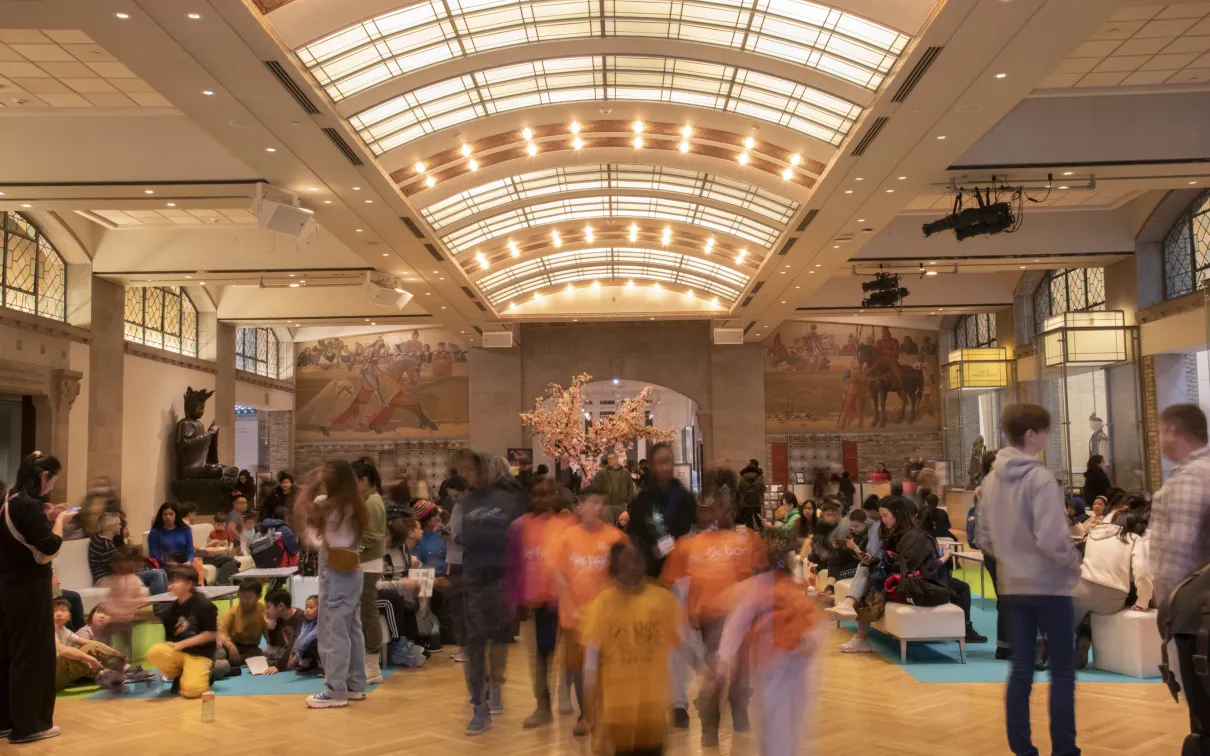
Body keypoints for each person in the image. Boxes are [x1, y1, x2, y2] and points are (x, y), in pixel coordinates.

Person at [976, 404, 1081, 756]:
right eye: (1047, 432)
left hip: (1013, 587)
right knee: (1062, 672)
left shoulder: (989, 482)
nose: (1048, 439)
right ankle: (1065, 750)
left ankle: (1023, 750)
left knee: (1021, 670)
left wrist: (1011, 559)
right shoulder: (1041, 479)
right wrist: (1073, 565)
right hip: (1049, 587)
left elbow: (984, 539)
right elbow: (1052, 540)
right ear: (1032, 435)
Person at [660, 468, 763, 748]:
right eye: (702, 510)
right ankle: (710, 728)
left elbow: (754, 578)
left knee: (739, 672)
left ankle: (739, 704)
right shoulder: (688, 545)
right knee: (715, 673)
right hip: (709, 620)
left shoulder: (743, 539)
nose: (708, 515)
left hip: (738, 617)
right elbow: (671, 583)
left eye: (714, 509)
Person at [719, 530, 823, 756]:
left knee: (791, 718)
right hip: (770, 664)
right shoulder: (759, 587)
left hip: (794, 665)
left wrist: (809, 643)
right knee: (773, 719)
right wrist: (724, 660)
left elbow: (808, 621)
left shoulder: (793, 584)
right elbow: (738, 622)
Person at [582, 539, 683, 756]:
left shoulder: (662, 600)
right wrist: (589, 705)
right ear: (615, 567)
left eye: (638, 560)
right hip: (619, 708)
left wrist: (705, 671)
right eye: (626, 561)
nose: (634, 566)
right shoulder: (602, 604)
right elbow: (591, 659)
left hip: (653, 706)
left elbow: (681, 647)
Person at [1150, 404, 1210, 753]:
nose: (1159, 441)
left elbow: (1177, 553)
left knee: (1202, 711)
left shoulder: (1189, 479)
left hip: (1193, 617)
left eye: (1160, 432)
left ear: (1174, 432)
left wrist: (1167, 611)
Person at [0, 452, 72, 743]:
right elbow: (49, 548)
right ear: (44, 476)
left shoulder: (9, 501)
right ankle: (30, 725)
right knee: (32, 656)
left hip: (7, 588)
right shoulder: (29, 505)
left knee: (10, 654)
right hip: (29, 589)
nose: (52, 486)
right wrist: (61, 520)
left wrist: (47, 517)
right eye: (53, 479)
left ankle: (6, 720)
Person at [548, 485, 626, 738]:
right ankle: (585, 713)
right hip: (576, 617)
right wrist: (570, 606)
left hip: (607, 616)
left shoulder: (615, 537)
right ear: (579, 507)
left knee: (607, 666)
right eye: (592, 503)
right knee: (579, 668)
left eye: (601, 503)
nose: (597, 508)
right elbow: (558, 575)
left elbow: (625, 574)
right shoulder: (567, 537)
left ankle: (605, 712)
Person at [458, 452, 526, 735]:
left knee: (499, 637)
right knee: (474, 643)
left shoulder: (511, 499)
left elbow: (514, 538)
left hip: (502, 576)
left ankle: (496, 684)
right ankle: (478, 706)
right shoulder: (468, 501)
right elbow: (467, 538)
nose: (471, 475)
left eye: (476, 470)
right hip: (474, 577)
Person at [296, 460, 369, 708]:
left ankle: (334, 690)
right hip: (350, 573)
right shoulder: (354, 505)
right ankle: (355, 685)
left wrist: (312, 491)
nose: (321, 477)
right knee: (351, 630)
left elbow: (322, 538)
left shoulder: (334, 507)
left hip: (336, 575)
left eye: (325, 474)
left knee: (333, 631)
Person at [507, 476, 571, 728]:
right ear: (530, 497)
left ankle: (569, 696)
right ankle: (543, 706)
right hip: (535, 604)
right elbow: (513, 567)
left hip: (562, 602)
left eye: (548, 494)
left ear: (555, 496)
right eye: (537, 494)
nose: (542, 499)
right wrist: (516, 601)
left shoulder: (565, 527)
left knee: (566, 655)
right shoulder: (518, 527)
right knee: (540, 657)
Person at [1070, 503, 1152, 669]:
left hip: (1080, 587)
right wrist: (1142, 603)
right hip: (1112, 597)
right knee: (1103, 606)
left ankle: (1042, 653)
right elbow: (1142, 573)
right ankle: (1086, 637)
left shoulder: (1093, 533)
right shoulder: (1134, 538)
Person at [145, 566, 218, 699]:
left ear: (189, 584)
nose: (170, 586)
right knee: (155, 651)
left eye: (175, 581)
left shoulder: (204, 605)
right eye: (170, 582)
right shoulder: (169, 612)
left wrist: (183, 644)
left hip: (200, 655)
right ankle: (180, 674)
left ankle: (207, 674)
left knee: (192, 691)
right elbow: (169, 639)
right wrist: (166, 666)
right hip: (180, 654)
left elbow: (212, 634)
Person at [351, 458, 387, 685]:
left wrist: (351, 549)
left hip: (367, 564)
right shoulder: (366, 500)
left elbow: (372, 536)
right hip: (362, 563)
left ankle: (372, 665)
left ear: (363, 480)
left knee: (368, 613)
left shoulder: (372, 502)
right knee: (362, 613)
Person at [52, 598, 125, 692]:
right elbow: (63, 651)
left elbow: (94, 644)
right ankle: (104, 675)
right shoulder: (49, 629)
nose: (58, 614)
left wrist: (119, 655)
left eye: (63, 610)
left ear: (69, 616)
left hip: (65, 675)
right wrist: (91, 659)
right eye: (53, 611)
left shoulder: (65, 631)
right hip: (51, 677)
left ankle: (126, 669)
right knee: (73, 653)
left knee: (92, 647)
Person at [89, 511, 167, 595]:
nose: (121, 527)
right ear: (111, 526)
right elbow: (121, 566)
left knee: (162, 571)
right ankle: (159, 606)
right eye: (119, 524)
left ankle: (166, 605)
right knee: (157, 574)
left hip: (111, 576)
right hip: (106, 579)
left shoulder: (98, 537)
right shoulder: (106, 544)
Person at [218, 579, 266, 666]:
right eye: (241, 597)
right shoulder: (233, 612)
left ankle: (231, 663)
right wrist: (230, 646)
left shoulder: (264, 611)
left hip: (251, 648)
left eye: (248, 598)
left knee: (259, 653)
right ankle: (232, 662)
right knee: (218, 652)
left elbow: (270, 638)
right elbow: (220, 631)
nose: (244, 601)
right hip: (231, 645)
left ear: (259, 596)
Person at [262, 588, 305, 674]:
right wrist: (270, 627)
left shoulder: (300, 617)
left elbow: (296, 646)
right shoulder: (278, 618)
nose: (266, 611)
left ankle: (283, 664)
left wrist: (278, 666)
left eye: (268, 607)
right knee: (265, 649)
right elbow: (273, 643)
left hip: (298, 650)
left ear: (280, 606)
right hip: (284, 650)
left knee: (296, 655)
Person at [147, 502, 194, 569]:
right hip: (164, 565)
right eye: (165, 514)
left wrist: (189, 561)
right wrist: (168, 563)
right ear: (161, 516)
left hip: (184, 563)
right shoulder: (155, 532)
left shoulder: (186, 530)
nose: (168, 517)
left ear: (176, 515)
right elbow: (154, 555)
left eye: (171, 514)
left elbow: (190, 551)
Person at [593, 452, 635, 524]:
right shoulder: (603, 472)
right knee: (608, 528)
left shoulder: (625, 472)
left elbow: (630, 487)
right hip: (607, 505)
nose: (609, 460)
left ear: (616, 459)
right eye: (608, 459)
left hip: (622, 505)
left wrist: (628, 502)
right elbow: (598, 489)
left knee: (622, 527)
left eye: (611, 458)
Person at [293, 595, 322, 675]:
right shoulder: (305, 622)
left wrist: (298, 654)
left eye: (311, 607)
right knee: (302, 642)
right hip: (307, 645)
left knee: (313, 643)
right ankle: (308, 664)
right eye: (306, 608)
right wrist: (294, 652)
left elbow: (309, 638)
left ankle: (322, 666)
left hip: (321, 645)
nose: (307, 610)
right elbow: (301, 637)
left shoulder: (321, 622)